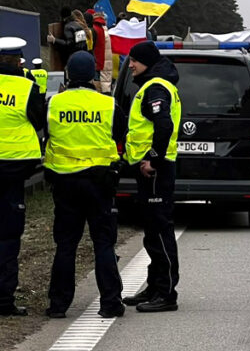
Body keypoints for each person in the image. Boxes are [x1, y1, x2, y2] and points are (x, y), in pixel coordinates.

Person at [42, 52, 124, 319]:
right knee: (103, 242)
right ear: (93, 76)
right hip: (99, 182)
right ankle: (110, 303)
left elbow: (45, 133)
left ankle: (58, 305)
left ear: (67, 74)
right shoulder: (107, 104)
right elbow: (121, 135)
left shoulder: (54, 104)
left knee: (66, 244)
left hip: (64, 182)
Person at [120, 41, 181, 313]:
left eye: (134, 60)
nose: (130, 65)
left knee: (159, 230)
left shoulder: (156, 87)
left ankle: (166, 292)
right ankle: (155, 286)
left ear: (146, 61)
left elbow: (164, 125)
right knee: (152, 232)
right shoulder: (154, 84)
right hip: (151, 168)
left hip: (156, 169)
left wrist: (153, 158)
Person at [0, 37, 45, 316]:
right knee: (8, 236)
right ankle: (4, 300)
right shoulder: (27, 87)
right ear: (18, 62)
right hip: (15, 169)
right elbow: (40, 121)